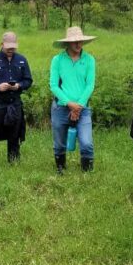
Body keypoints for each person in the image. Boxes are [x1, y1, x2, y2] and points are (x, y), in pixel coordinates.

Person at [0, 31, 33, 164]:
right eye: (8, 47)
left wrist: (19, 86)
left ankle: (14, 163)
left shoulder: (22, 59)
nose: (11, 49)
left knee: (14, 136)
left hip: (15, 103)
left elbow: (28, 80)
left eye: (13, 47)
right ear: (1, 44)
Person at [50, 26, 98, 173]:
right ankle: (60, 169)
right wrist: (69, 104)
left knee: (86, 143)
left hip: (82, 108)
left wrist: (79, 106)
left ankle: (87, 173)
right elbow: (53, 85)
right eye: (74, 42)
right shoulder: (57, 60)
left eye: (80, 41)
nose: (78, 44)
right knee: (59, 144)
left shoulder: (89, 60)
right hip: (61, 108)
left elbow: (90, 85)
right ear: (68, 43)